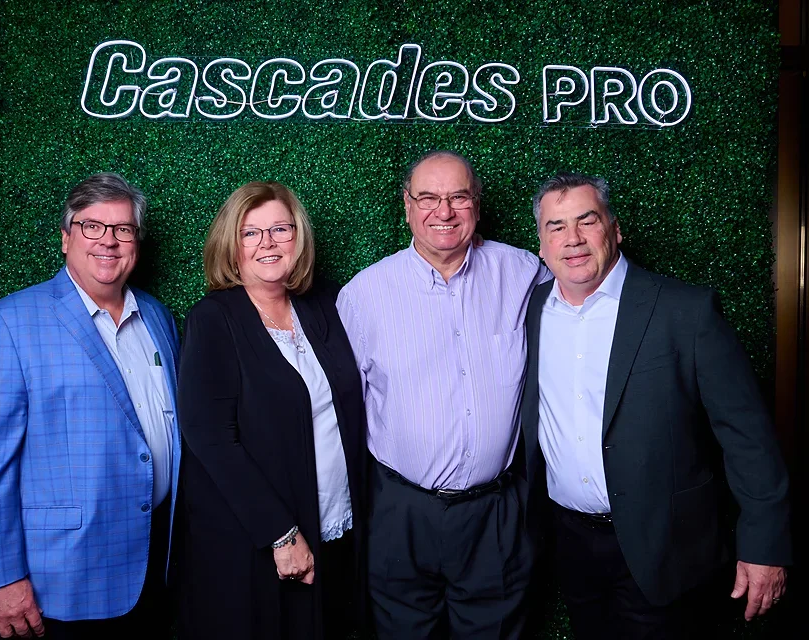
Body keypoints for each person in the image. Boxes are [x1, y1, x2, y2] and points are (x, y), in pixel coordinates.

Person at [520, 172, 792, 639]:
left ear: (615, 229)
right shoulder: (530, 311)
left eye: (587, 221)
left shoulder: (685, 311)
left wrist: (765, 546)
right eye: (556, 227)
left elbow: (748, 437)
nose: (573, 240)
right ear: (541, 245)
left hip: (667, 546)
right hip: (571, 543)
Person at [0, 172, 181, 638]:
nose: (108, 242)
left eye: (122, 229)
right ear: (65, 237)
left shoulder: (157, 316)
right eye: (91, 226)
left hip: (155, 560)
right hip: (59, 578)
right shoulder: (8, 323)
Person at [335, 150, 550, 639]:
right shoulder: (364, 295)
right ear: (406, 206)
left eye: (458, 197)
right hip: (399, 511)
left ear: (477, 203)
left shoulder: (524, 272)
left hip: (495, 511)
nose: (444, 211)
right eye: (428, 197)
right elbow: (340, 412)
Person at [177, 181, 367, 639]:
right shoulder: (213, 319)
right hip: (259, 541)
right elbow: (212, 438)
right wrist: (280, 534)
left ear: (298, 237)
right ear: (231, 243)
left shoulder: (323, 305)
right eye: (250, 233)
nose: (267, 243)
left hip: (334, 525)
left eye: (280, 229)